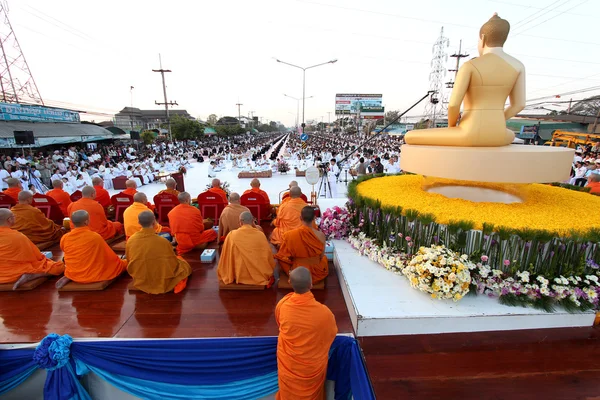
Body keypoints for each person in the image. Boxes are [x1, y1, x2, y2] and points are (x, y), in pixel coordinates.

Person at [405, 13, 523, 147]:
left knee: (410, 136)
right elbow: (519, 105)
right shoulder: (518, 66)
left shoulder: (470, 66)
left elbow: (454, 105)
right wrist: (498, 120)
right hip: (499, 133)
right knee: (511, 134)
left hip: (469, 132)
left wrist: (452, 126)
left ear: (483, 39)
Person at [275, 267, 337, 400]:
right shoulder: (324, 313)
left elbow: (279, 325)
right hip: (312, 368)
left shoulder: (283, 305)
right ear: (311, 284)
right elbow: (331, 334)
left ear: (290, 282)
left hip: (289, 365)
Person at [56, 210, 128, 288]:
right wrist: (119, 260)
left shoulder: (65, 237)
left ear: (72, 222)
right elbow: (107, 254)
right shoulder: (94, 236)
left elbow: (64, 250)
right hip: (95, 274)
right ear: (86, 222)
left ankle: (71, 276)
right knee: (123, 264)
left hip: (74, 273)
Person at [126, 211, 191, 294]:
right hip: (161, 278)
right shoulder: (163, 241)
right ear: (154, 222)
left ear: (139, 222)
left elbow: (129, 260)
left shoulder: (131, 240)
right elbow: (172, 263)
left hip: (141, 278)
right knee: (184, 266)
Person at [0, 209, 65, 290]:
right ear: (9, 220)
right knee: (59, 267)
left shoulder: (16, 236)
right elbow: (35, 256)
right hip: (14, 273)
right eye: (14, 216)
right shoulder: (17, 236)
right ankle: (33, 275)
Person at [217, 211, 275, 286]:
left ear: (240, 222)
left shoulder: (231, 234)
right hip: (258, 274)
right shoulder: (260, 235)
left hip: (238, 273)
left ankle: (239, 275)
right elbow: (268, 255)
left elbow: (225, 256)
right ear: (252, 221)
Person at [275, 206, 329, 283]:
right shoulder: (321, 235)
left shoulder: (289, 235)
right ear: (314, 218)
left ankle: (291, 273)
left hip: (297, 270)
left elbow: (283, 256)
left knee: (281, 258)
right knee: (324, 258)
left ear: (300, 218)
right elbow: (321, 256)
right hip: (316, 271)